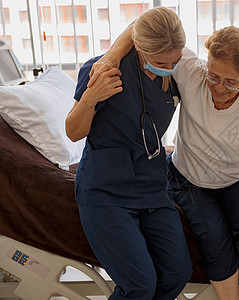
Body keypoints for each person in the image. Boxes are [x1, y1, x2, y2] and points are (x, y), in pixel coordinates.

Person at [89, 24, 239, 300]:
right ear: (207, 64)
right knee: (213, 233)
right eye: (214, 76)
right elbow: (143, 25)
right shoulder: (190, 70)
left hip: (237, 180)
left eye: (231, 82)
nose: (219, 88)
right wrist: (112, 55)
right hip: (188, 179)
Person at [65, 7, 192, 300]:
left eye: (176, 59)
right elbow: (73, 131)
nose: (170, 66)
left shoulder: (176, 69)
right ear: (139, 48)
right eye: (162, 62)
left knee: (178, 272)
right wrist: (91, 97)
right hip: (106, 190)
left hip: (150, 184)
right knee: (139, 285)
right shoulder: (104, 70)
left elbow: (141, 24)